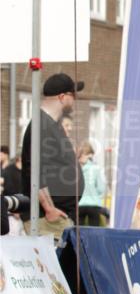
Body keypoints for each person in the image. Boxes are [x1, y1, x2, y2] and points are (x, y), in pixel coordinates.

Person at [21, 72, 85, 243]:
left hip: (58, 216)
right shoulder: (41, 125)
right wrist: (49, 209)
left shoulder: (52, 125)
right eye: (74, 95)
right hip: (47, 219)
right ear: (62, 96)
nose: (75, 100)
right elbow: (35, 169)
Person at [77, 141, 107, 226]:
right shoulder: (96, 168)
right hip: (94, 204)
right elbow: (101, 188)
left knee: (78, 232)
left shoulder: (75, 169)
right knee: (94, 231)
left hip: (79, 204)